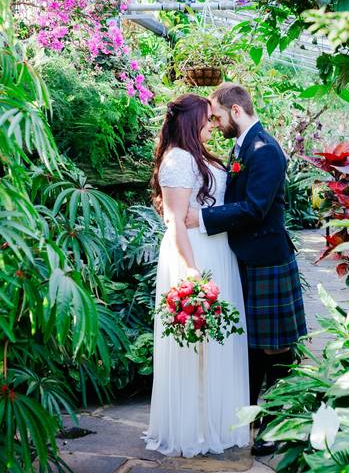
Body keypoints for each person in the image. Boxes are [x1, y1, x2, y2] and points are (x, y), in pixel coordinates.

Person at [185, 83, 308, 457]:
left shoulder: (264, 150)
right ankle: (251, 418)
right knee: (253, 348)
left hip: (267, 260)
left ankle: (277, 424)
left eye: (218, 117)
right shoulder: (243, 147)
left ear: (235, 112)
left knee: (275, 350)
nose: (217, 124)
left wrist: (201, 218)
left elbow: (255, 208)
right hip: (246, 259)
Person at [143, 93, 250, 458]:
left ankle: (216, 422)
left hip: (218, 251)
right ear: (190, 122)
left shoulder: (200, 156)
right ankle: (195, 427)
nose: (210, 124)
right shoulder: (177, 159)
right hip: (194, 254)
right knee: (196, 345)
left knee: (217, 343)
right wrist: (191, 272)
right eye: (206, 119)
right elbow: (175, 220)